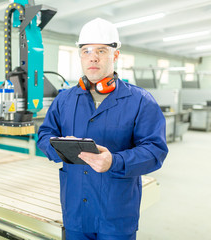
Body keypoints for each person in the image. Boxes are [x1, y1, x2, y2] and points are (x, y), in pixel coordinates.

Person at [37, 18, 168, 240]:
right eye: (86, 51)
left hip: (116, 214)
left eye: (101, 50)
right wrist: (59, 147)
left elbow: (155, 151)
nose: (93, 57)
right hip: (75, 212)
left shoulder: (140, 100)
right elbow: (43, 135)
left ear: (115, 55)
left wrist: (115, 161)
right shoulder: (65, 99)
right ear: (80, 56)